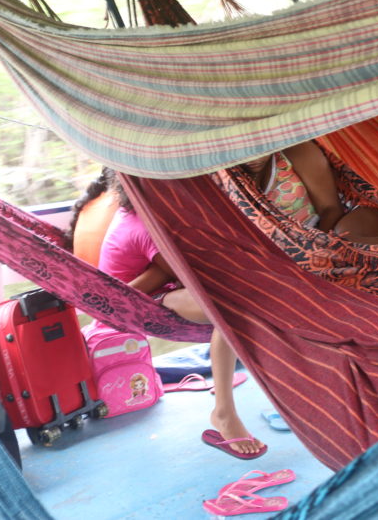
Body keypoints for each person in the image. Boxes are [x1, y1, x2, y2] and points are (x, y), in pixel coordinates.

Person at [91, 169, 265, 459]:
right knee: (230, 310)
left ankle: (227, 369)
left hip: (155, 285)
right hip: (136, 304)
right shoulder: (145, 228)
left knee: (244, 296)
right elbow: (193, 277)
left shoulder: (133, 211)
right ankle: (224, 413)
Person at [238, 140, 378, 244]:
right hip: (302, 253)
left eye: (258, 146)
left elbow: (331, 209)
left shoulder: (294, 151)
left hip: (344, 221)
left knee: (347, 243)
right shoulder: (227, 181)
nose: (252, 157)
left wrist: (317, 249)